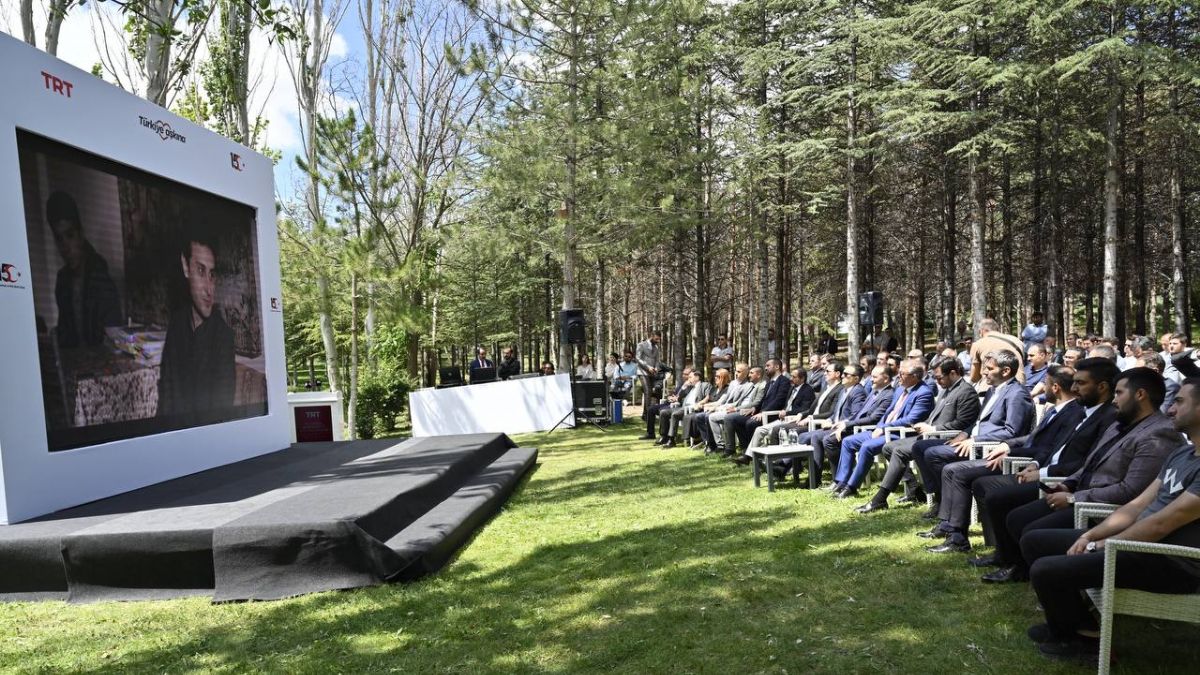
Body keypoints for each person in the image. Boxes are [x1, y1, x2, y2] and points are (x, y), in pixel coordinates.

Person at [1020, 377, 1200, 661]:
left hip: (1175, 562)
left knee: (1046, 570)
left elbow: (1161, 524)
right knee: (1035, 541)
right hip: (1139, 546)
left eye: (1179, 401)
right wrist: (1091, 535)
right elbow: (1136, 506)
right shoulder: (1183, 453)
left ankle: (1085, 643)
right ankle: (1075, 625)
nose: (1170, 409)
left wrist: (1103, 545)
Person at [968, 359, 1119, 581]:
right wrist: (1036, 465)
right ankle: (1006, 557)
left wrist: (1045, 474)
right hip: (1051, 472)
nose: (1074, 388)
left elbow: (1086, 462)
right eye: (1074, 382)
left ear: (1102, 387)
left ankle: (1017, 566)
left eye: (1080, 383)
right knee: (995, 495)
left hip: (1065, 481)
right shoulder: (1085, 411)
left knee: (1002, 500)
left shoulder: (1108, 417)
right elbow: (1054, 447)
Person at [925, 364, 1086, 554]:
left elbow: (1047, 448)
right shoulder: (1055, 410)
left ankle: (958, 536)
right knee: (954, 471)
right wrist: (1007, 446)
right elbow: (1032, 437)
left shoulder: (1073, 412)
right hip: (1018, 456)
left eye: (1045, 383)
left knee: (957, 472)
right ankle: (961, 532)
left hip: (1025, 463)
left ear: (1055, 387)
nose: (1042, 387)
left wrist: (1012, 453)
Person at [912, 350, 1034, 523]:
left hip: (989, 448)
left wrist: (975, 440)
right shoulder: (992, 390)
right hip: (973, 441)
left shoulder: (1016, 394)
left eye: (989, 369)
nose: (983, 372)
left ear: (1006, 371)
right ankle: (943, 500)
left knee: (935, 455)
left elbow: (1012, 431)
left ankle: (946, 505)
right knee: (922, 447)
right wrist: (965, 433)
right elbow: (979, 422)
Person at [856, 357, 981, 513]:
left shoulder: (966, 391)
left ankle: (881, 498)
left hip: (948, 438)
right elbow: (934, 417)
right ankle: (914, 489)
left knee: (900, 451)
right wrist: (923, 425)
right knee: (888, 447)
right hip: (931, 435)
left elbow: (963, 424)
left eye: (939, 377)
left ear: (953, 373)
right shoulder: (946, 389)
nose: (937, 381)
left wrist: (933, 428)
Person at [158, 228, 236, 419]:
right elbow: (166, 394)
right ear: (186, 267)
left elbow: (221, 414)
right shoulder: (177, 323)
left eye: (212, 275)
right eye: (200, 271)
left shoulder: (223, 338)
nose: (209, 289)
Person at [830, 359, 935, 499]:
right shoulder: (900, 390)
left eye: (902, 374)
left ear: (914, 376)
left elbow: (911, 419)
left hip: (901, 434)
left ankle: (852, 487)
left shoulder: (923, 393)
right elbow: (888, 413)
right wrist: (880, 427)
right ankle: (841, 482)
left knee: (867, 446)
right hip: (884, 430)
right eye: (899, 373)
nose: (898, 376)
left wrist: (884, 428)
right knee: (848, 441)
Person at [44, 191, 122, 348]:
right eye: (59, 239)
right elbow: (66, 333)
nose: (65, 247)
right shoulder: (62, 281)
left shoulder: (100, 278)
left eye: (70, 235)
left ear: (81, 234)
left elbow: (114, 336)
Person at [970, 318, 1027, 385]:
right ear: (997, 329)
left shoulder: (978, 344)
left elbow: (974, 378)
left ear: (982, 331)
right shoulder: (1016, 340)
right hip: (1019, 384)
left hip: (992, 386)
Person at [636, 330, 663, 414]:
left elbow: (657, 360)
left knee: (652, 392)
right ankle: (647, 414)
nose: (657, 341)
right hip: (642, 372)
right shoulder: (641, 345)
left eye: (659, 339)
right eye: (656, 339)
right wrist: (648, 367)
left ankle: (647, 413)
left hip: (652, 372)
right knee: (647, 391)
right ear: (651, 336)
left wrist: (656, 368)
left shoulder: (656, 348)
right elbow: (638, 358)